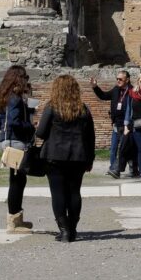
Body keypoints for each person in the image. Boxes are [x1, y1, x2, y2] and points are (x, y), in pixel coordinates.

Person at [35, 74, 96, 243]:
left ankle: (64, 231)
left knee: (58, 194)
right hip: (78, 156)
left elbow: (40, 133)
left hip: (54, 156)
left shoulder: (52, 107)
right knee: (74, 192)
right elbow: (91, 136)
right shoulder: (83, 109)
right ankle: (73, 229)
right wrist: (90, 158)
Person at [0, 65, 35, 234]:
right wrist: (31, 126)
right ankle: (13, 222)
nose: (26, 81)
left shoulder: (4, 96)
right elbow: (14, 122)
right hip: (16, 142)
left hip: (8, 140)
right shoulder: (15, 98)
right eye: (25, 77)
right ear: (18, 78)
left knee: (17, 180)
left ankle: (17, 218)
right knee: (17, 181)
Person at [91, 71, 135, 179]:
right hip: (116, 124)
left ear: (127, 80)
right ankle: (113, 169)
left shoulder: (132, 91)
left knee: (125, 149)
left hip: (127, 126)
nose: (118, 81)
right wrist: (95, 87)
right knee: (114, 148)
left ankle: (132, 169)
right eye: (117, 79)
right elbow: (104, 96)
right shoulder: (116, 90)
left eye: (120, 79)